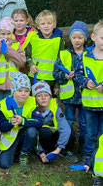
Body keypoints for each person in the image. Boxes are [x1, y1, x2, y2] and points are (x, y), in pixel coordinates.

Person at [53, 21, 88, 153]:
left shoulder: (90, 54)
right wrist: (65, 77)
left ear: (85, 38)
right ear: (70, 38)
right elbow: (56, 72)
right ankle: (68, 148)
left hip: (86, 95)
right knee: (69, 122)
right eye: (74, 37)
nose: (77, 40)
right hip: (69, 97)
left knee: (85, 123)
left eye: (80, 37)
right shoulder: (64, 54)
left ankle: (85, 149)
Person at [0, 72, 43, 170]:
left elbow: (39, 122)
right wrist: (10, 122)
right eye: (20, 90)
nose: (23, 93)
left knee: (32, 131)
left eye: (26, 91)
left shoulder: (32, 102)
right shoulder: (3, 105)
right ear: (13, 92)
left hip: (25, 134)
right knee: (4, 165)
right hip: (10, 135)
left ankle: (24, 154)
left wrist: (23, 121)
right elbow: (0, 126)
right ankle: (14, 151)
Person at [74, 20, 103, 168]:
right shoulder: (85, 56)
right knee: (90, 135)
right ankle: (88, 160)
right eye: (102, 38)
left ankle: (100, 162)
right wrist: (86, 82)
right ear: (93, 37)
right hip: (90, 105)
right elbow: (78, 75)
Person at [32, 81, 77, 164]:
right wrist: (41, 153)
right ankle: (45, 152)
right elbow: (33, 135)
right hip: (42, 138)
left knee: (70, 130)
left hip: (55, 136)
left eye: (46, 95)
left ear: (50, 96)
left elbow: (65, 129)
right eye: (39, 95)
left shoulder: (55, 107)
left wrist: (58, 149)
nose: (43, 98)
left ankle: (64, 150)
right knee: (44, 131)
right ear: (34, 98)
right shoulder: (32, 109)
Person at [0, 17, 26, 107]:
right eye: (2, 34)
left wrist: (8, 48)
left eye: (8, 33)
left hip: (12, 84)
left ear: (12, 33)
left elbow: (21, 62)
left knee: (10, 107)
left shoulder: (16, 46)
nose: (5, 36)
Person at [25, 10, 65, 94]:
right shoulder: (33, 39)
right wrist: (31, 65)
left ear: (54, 25)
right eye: (43, 24)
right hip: (34, 78)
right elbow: (26, 56)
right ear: (38, 26)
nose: (46, 26)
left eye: (49, 23)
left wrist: (58, 85)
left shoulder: (59, 41)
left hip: (52, 81)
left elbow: (62, 62)